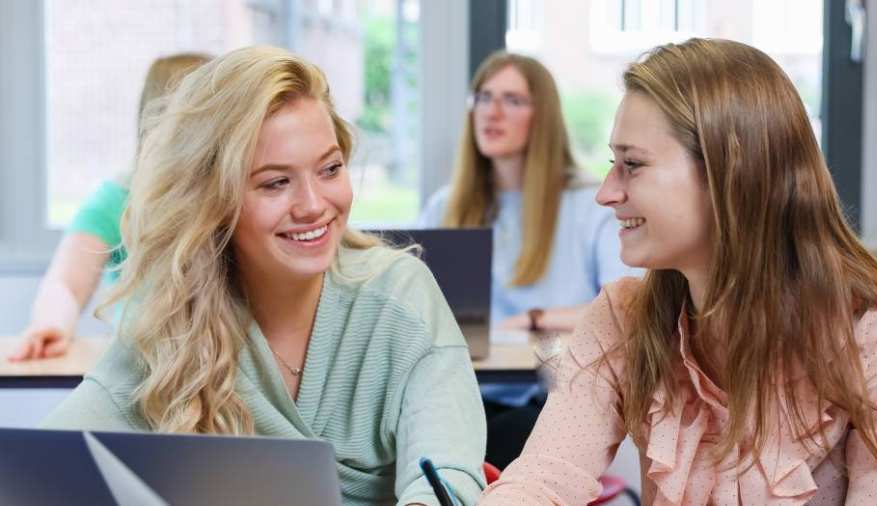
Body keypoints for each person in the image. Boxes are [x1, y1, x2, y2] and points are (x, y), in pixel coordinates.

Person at [41, 46, 486, 506]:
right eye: (276, 182)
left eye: (330, 169)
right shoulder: (177, 317)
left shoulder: (400, 296)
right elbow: (43, 460)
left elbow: (447, 472)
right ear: (212, 201)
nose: (314, 204)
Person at [481, 38, 877, 505]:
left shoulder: (874, 342)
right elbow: (543, 479)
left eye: (632, 165)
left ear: (730, 173)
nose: (606, 193)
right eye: (611, 164)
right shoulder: (622, 318)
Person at [8, 52, 211, 362]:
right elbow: (66, 282)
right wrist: (50, 324)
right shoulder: (120, 198)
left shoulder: (240, 196)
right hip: (138, 367)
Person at [418, 50, 631, 333]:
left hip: (560, 374)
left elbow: (628, 311)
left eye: (512, 100)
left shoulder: (594, 205)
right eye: (483, 97)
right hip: (470, 376)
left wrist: (532, 320)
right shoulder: (443, 207)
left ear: (543, 116)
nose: (492, 113)